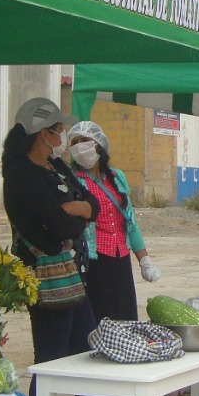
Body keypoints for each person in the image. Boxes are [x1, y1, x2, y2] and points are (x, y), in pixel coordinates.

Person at [2, 97, 133, 396]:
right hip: (44, 277)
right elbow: (59, 224)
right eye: (59, 130)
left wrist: (76, 212)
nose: (63, 136)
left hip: (73, 274)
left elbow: (87, 203)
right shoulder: (20, 175)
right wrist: (75, 215)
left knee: (86, 352)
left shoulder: (56, 167)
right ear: (43, 133)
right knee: (49, 360)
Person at [66, 120, 162, 331]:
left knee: (125, 316)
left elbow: (129, 221)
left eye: (86, 141)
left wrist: (144, 259)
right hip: (94, 260)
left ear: (98, 144)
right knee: (101, 319)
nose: (80, 146)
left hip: (120, 257)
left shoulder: (117, 177)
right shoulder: (72, 180)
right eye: (75, 142)